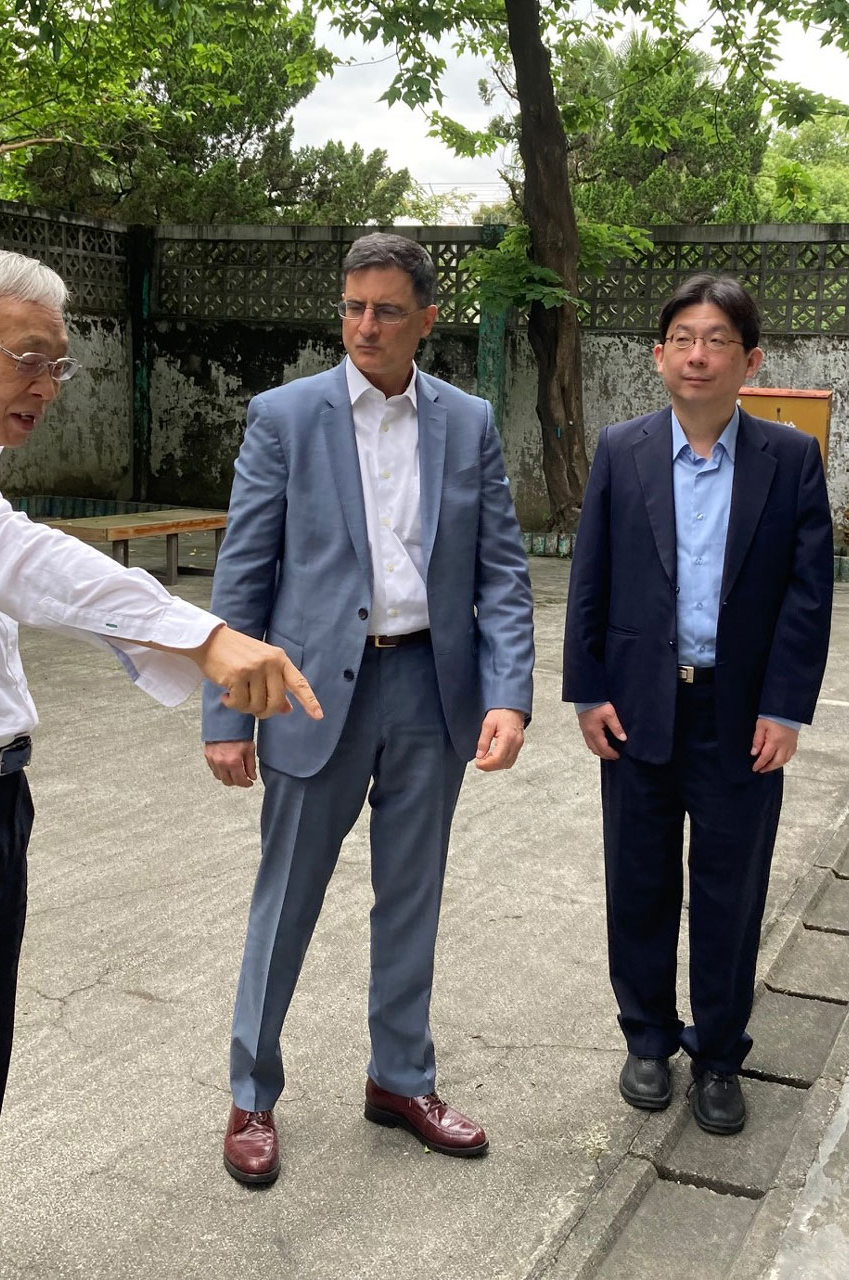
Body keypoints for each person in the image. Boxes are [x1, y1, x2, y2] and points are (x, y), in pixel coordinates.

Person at [0, 247, 318, 1280]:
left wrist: (175, 642)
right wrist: (204, 634)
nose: (45, 384)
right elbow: (19, 564)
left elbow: (29, 576)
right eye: (27, 357)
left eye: (59, 365)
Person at [202, 231, 535, 1186]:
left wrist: (508, 694)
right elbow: (244, 574)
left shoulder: (467, 424)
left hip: (433, 691)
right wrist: (229, 715)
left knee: (412, 899)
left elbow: (502, 573)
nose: (365, 327)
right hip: (310, 695)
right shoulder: (286, 417)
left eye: (387, 310)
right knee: (287, 898)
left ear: (427, 319)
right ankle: (251, 1095)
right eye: (352, 307)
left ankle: (400, 1078)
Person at [562, 273, 833, 1136]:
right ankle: (647, 1038)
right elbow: (591, 580)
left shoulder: (789, 462)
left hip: (740, 715)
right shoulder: (623, 451)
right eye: (682, 337)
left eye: (717, 339)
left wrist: (786, 708)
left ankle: (719, 1053)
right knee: (638, 881)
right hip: (641, 708)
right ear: (658, 354)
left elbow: (807, 594)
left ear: (749, 360)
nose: (697, 354)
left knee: (730, 889)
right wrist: (588, 690)